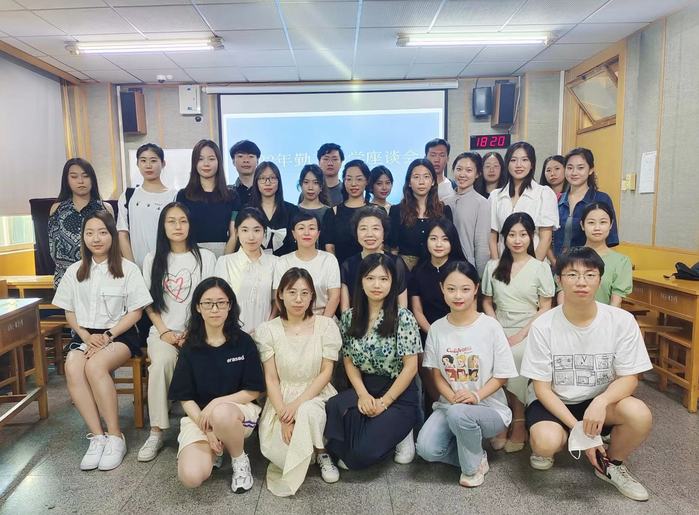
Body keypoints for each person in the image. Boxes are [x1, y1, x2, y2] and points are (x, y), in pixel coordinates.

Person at [520, 247, 653, 502]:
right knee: (545, 442)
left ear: (600, 279)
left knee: (639, 414)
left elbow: (629, 377)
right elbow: (542, 389)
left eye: (589, 274)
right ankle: (573, 436)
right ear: (559, 280)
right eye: (572, 275)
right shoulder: (543, 325)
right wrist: (578, 429)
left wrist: (601, 401)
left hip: (598, 401)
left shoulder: (621, 321)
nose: (581, 282)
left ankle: (610, 464)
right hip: (555, 401)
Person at [52, 210, 152, 471]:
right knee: (73, 366)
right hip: (85, 334)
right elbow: (69, 312)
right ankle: (98, 436)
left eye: (102, 232)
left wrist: (107, 336)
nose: (96, 239)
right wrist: (86, 336)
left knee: (95, 366)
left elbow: (136, 312)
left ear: (112, 235)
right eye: (90, 233)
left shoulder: (128, 269)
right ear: (83, 237)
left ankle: (116, 436)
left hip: (119, 335)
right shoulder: (74, 271)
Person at [416, 261, 518, 487]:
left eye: (465, 289)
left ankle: (471, 469)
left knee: (460, 414)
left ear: (476, 289)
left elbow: (502, 375)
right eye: (451, 289)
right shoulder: (437, 329)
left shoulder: (490, 327)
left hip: (489, 408)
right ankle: (476, 455)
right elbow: (436, 375)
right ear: (442, 289)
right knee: (426, 450)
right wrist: (453, 398)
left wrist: (476, 396)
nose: (458, 295)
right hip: (451, 405)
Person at [324, 254, 422, 470]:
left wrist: (385, 402)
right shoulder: (349, 317)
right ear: (361, 281)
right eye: (370, 278)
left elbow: (411, 367)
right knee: (333, 406)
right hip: (367, 387)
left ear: (392, 283)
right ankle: (377, 427)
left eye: (383, 279)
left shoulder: (403, 317)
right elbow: (349, 361)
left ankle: (402, 433)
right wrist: (362, 394)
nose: (376, 285)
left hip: (398, 393)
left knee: (358, 456)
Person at [168, 277, 265, 493]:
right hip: (200, 417)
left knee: (221, 413)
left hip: (237, 413)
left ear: (230, 306)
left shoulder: (243, 342)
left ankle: (239, 459)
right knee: (191, 476)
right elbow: (185, 397)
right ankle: (217, 449)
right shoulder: (190, 347)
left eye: (221, 303)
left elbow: (253, 391)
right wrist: (208, 430)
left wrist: (216, 403)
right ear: (198, 307)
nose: (215, 309)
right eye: (208, 303)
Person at [137, 202, 216, 462]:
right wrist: (164, 332)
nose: (178, 226)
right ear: (163, 226)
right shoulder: (152, 259)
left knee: (209, 363)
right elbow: (149, 304)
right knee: (162, 363)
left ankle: (209, 428)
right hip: (163, 332)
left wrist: (192, 332)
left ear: (190, 225)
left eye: (183, 221)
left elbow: (210, 299)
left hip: (201, 330)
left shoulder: (205, 257)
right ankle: (156, 431)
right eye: (171, 221)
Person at [255, 268, 342, 496]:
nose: (298, 299)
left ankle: (322, 453)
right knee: (283, 456)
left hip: (317, 394)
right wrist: (284, 415)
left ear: (312, 296)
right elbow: (271, 378)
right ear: (280, 294)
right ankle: (307, 450)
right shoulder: (267, 330)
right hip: (281, 399)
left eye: (305, 293)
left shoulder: (326, 326)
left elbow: (326, 372)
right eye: (292, 292)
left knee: (308, 411)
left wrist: (297, 406)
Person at [482, 212, 555, 453]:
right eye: (512, 234)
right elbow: (487, 302)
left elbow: (545, 307)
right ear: (504, 237)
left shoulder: (540, 267)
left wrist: (521, 334)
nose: (517, 240)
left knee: (516, 355)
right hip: (497, 327)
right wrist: (496, 330)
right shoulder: (493, 266)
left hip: (530, 329)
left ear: (531, 237)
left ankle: (519, 420)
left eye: (523, 234)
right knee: (490, 357)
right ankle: (501, 419)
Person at [409, 217, 466, 408]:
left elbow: (469, 306)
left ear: (452, 241)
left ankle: (461, 403)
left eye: (445, 239)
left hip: (460, 329)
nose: (439, 244)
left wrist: (452, 332)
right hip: (429, 330)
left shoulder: (462, 269)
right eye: (433, 239)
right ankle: (438, 406)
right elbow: (417, 309)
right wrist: (434, 332)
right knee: (424, 360)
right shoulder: (419, 270)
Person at [48, 157, 114, 287]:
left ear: (92, 179)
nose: (80, 181)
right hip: (66, 277)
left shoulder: (105, 209)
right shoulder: (57, 209)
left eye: (86, 176)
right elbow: (52, 246)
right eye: (74, 177)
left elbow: (113, 245)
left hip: (101, 275)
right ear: (66, 180)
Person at [489, 141, 559, 261]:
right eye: (513, 160)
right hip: (503, 265)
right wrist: (496, 265)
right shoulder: (495, 196)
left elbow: (546, 238)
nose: (519, 165)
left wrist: (532, 268)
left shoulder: (544, 194)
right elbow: (492, 236)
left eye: (525, 160)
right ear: (507, 164)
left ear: (532, 164)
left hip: (534, 263)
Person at [215, 208, 277, 335]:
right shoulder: (225, 262)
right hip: (232, 334)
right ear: (236, 232)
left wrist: (267, 327)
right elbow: (219, 302)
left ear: (264, 232)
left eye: (257, 230)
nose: (251, 236)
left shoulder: (275, 262)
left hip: (266, 333)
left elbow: (277, 301)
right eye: (244, 230)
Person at [558, 202, 631, 307]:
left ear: (611, 225)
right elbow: (562, 296)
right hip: (570, 315)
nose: (597, 228)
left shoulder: (621, 262)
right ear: (582, 225)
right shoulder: (569, 257)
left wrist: (604, 318)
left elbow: (616, 302)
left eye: (603, 222)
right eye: (591, 222)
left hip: (605, 316)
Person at [176, 139, 240, 258]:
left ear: (219, 162)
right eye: (200, 159)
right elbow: (180, 231)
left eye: (211, 159)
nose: (206, 164)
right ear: (194, 163)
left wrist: (224, 260)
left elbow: (234, 234)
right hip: (192, 254)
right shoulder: (183, 195)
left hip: (224, 253)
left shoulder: (231, 196)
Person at [117, 143, 176, 269]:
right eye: (143, 160)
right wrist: (133, 269)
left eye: (153, 160)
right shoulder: (128, 195)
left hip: (169, 265)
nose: (148, 165)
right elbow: (122, 233)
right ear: (137, 164)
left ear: (163, 163)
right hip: (137, 266)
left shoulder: (174, 196)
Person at [553, 148, 619, 259]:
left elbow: (609, 240)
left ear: (590, 170)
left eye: (580, 168)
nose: (574, 173)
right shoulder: (556, 199)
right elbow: (547, 236)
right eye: (570, 168)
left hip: (589, 265)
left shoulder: (601, 199)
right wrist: (555, 263)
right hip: (557, 264)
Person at [388, 158, 453, 270]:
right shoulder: (397, 211)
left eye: (426, 177)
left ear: (433, 181)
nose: (421, 182)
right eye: (416, 177)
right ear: (409, 182)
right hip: (405, 270)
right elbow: (392, 248)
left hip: (436, 269)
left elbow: (449, 243)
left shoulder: (444, 211)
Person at [340, 205, 409, 311]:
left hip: (391, 320)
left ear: (384, 232)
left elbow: (402, 306)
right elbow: (345, 308)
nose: (369, 234)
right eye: (363, 229)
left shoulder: (396, 263)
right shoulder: (348, 265)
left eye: (375, 228)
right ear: (356, 233)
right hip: (357, 320)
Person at [273, 211, 341, 317]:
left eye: (312, 228)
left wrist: (323, 322)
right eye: (301, 228)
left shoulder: (329, 260)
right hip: (292, 319)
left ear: (318, 234)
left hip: (324, 317)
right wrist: (292, 319)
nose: (306, 233)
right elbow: (278, 296)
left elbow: (334, 297)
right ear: (294, 234)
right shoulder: (283, 261)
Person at [446, 152, 491, 276]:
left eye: (469, 170)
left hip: (467, 267)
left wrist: (480, 277)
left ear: (477, 174)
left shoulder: (482, 203)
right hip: (445, 265)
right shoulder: (445, 202)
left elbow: (482, 245)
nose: (462, 174)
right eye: (459, 169)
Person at [321, 159, 370, 265]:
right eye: (349, 179)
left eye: (359, 179)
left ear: (367, 181)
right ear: (344, 181)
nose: (353, 184)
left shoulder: (376, 211)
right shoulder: (332, 212)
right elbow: (329, 247)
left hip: (372, 269)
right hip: (341, 270)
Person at [247, 161, 299, 256]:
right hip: (255, 262)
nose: (268, 183)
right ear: (256, 182)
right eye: (262, 178)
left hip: (286, 262)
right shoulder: (247, 210)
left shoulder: (292, 210)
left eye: (272, 178)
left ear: (279, 181)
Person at [229, 139, 260, 206]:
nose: (246, 160)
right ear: (233, 161)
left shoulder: (265, 190)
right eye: (240, 156)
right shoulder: (226, 193)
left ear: (257, 161)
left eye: (251, 156)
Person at [317, 143, 345, 207]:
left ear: (341, 162)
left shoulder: (347, 191)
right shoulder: (310, 191)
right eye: (326, 159)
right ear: (319, 162)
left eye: (334, 159)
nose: (330, 163)